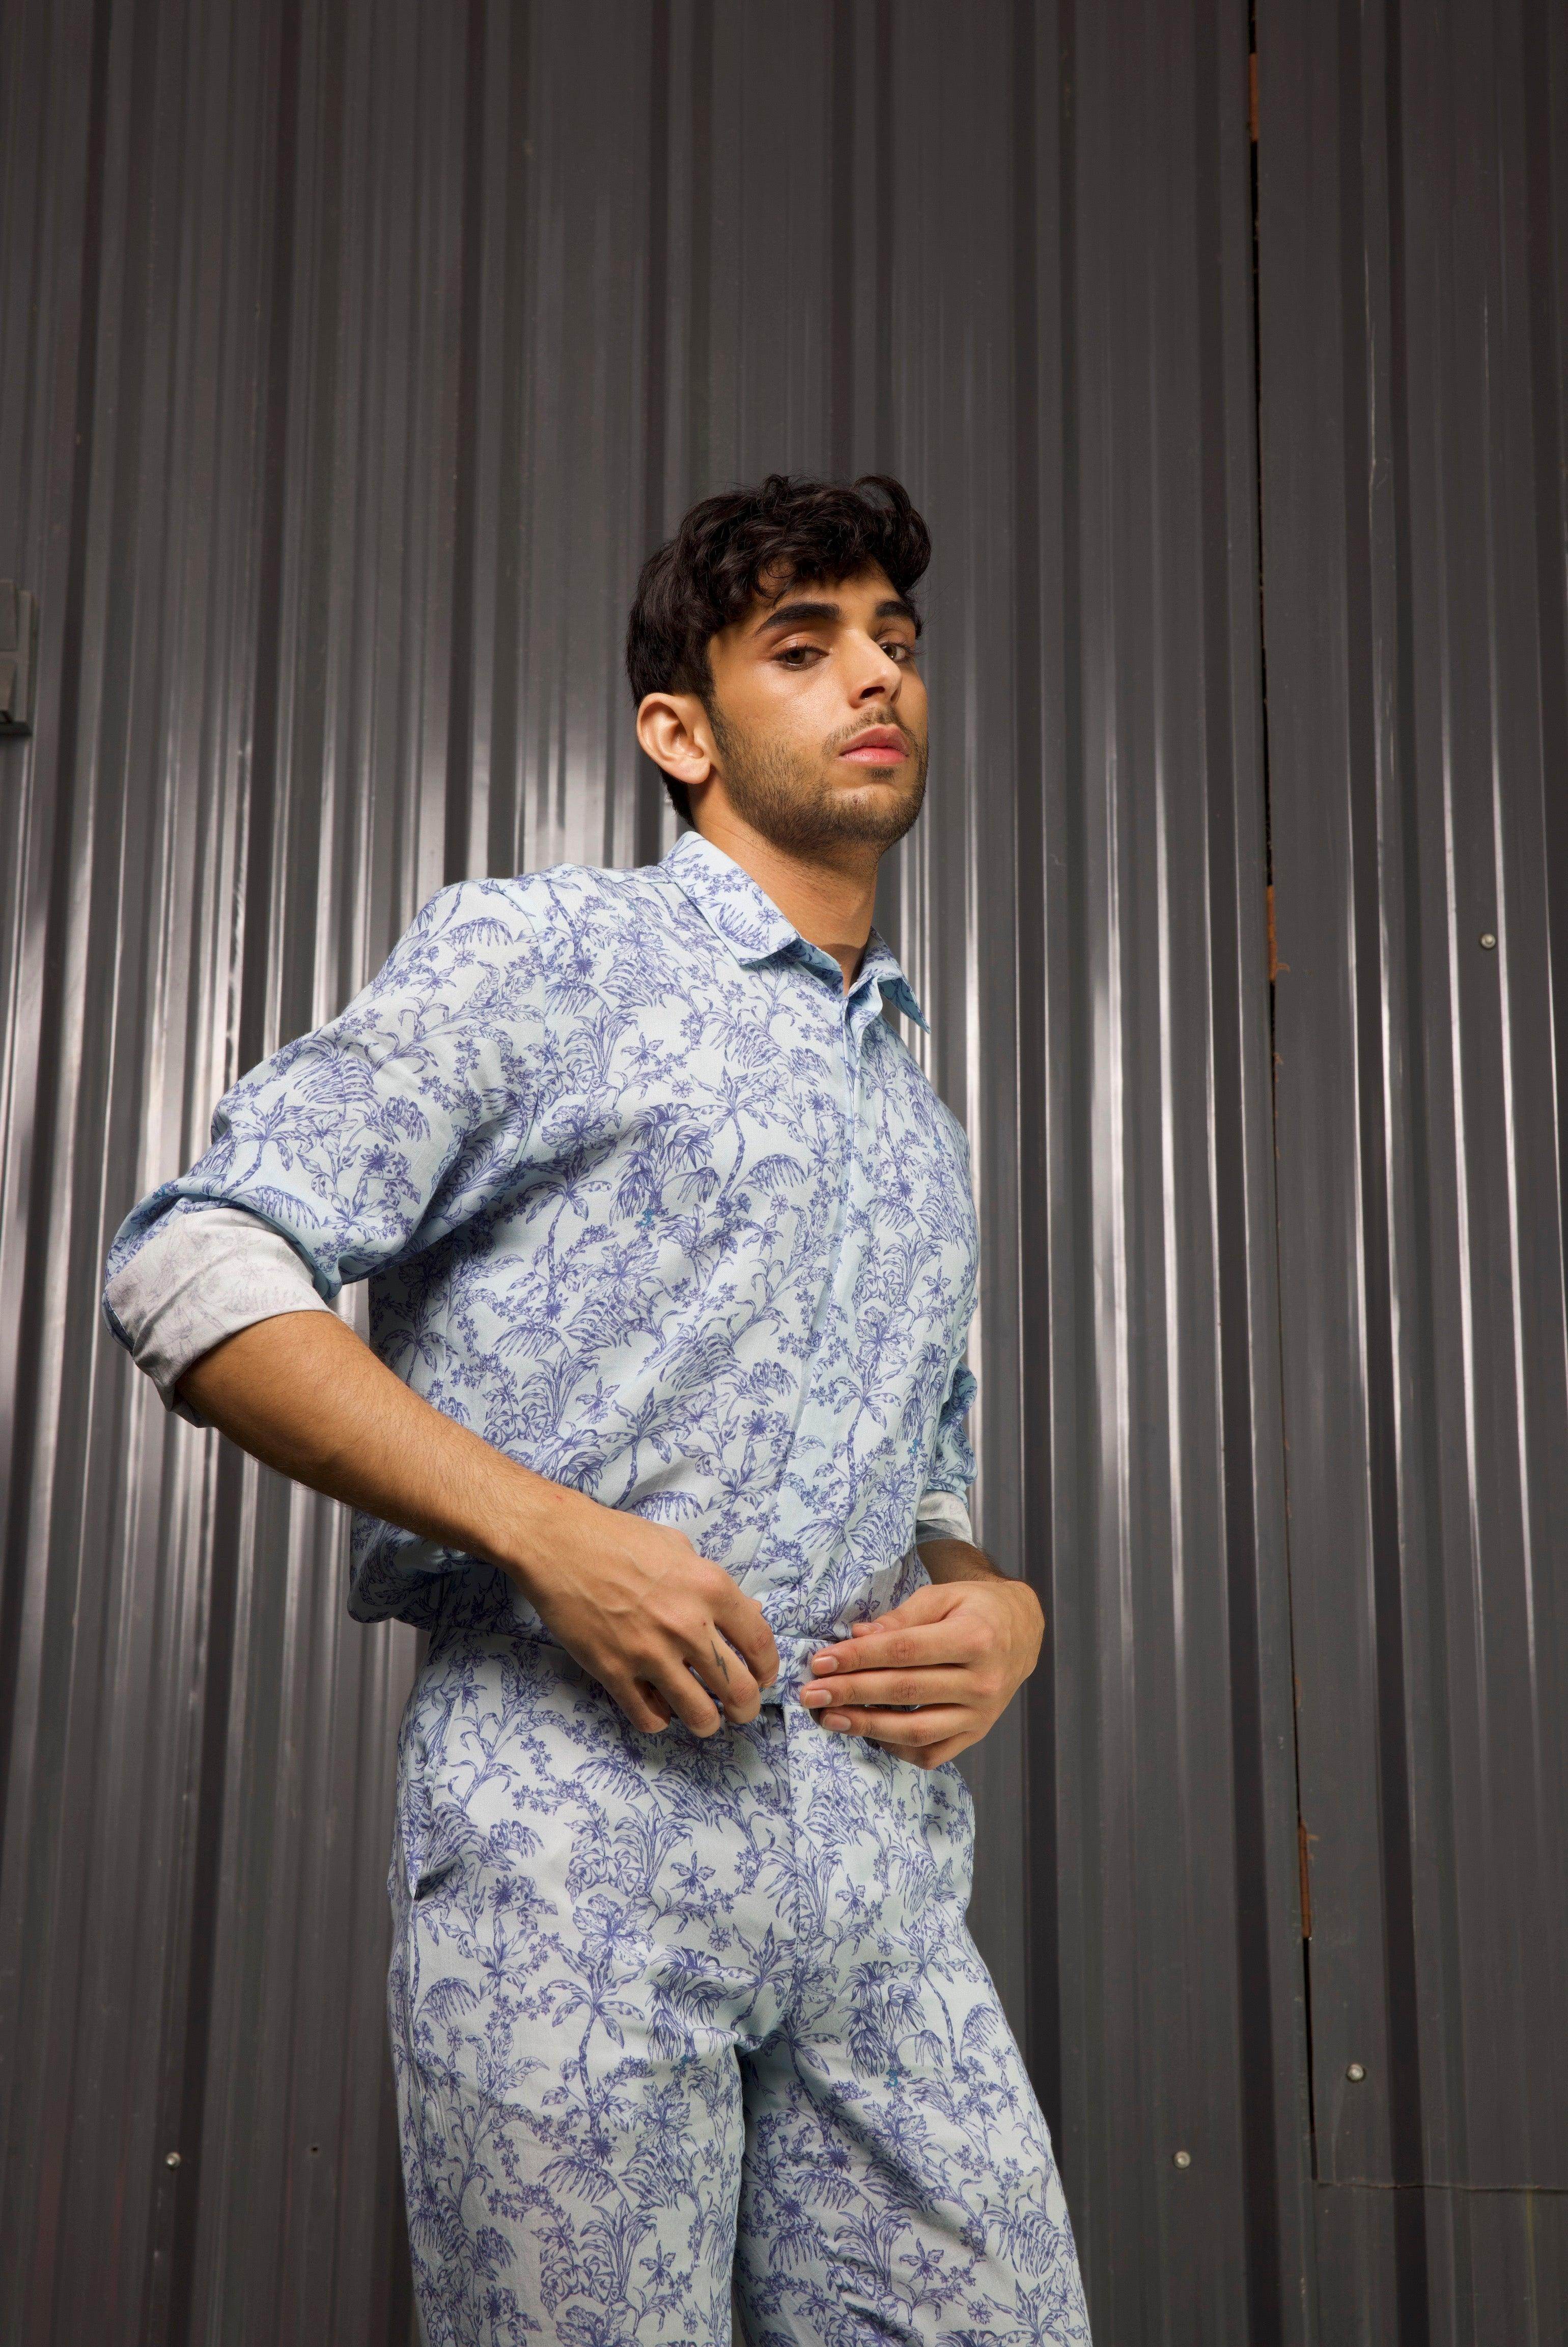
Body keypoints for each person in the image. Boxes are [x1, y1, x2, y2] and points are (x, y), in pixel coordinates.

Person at [101, 473, 1090, 2346]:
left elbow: (928, 1479)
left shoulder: (918, 1113)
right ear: (680, 731)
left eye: (895, 639)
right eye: (802, 645)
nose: (876, 674)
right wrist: (545, 1532)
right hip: (576, 1844)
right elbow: (192, 1260)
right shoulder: (544, 956)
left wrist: (1001, 1611)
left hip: (875, 1879)